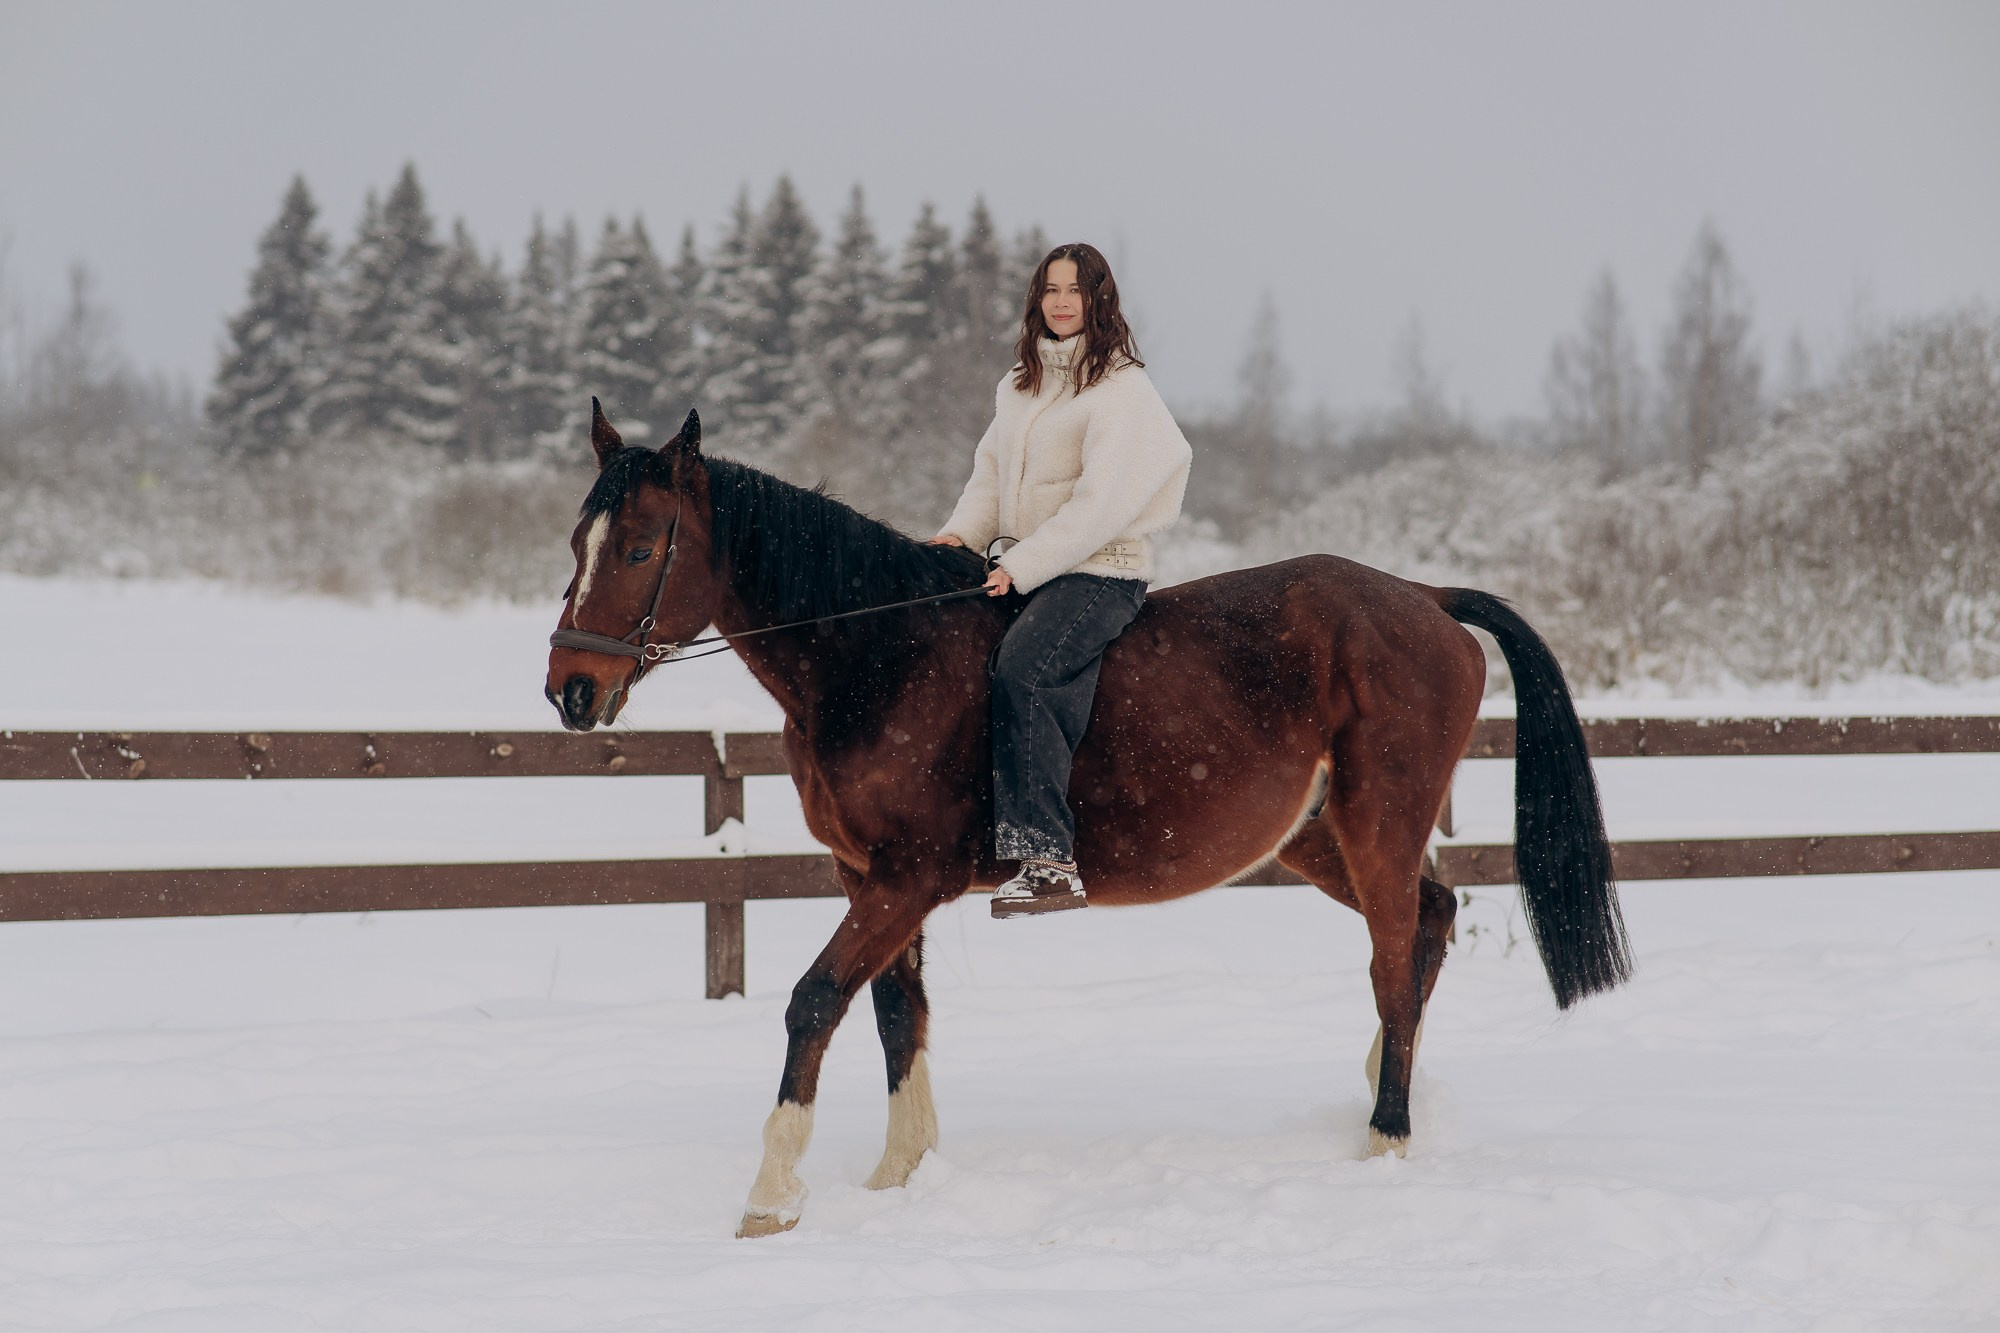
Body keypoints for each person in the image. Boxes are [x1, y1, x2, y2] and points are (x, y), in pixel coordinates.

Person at [930, 243, 1192, 918]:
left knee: (1027, 670)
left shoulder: (1120, 390)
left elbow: (1100, 506)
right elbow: (989, 477)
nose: (1062, 301)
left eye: (1076, 289)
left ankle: (1049, 859)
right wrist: (959, 535)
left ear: (1100, 299)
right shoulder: (1018, 386)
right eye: (1051, 288)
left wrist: (1020, 566)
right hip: (1032, 565)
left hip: (1100, 570)